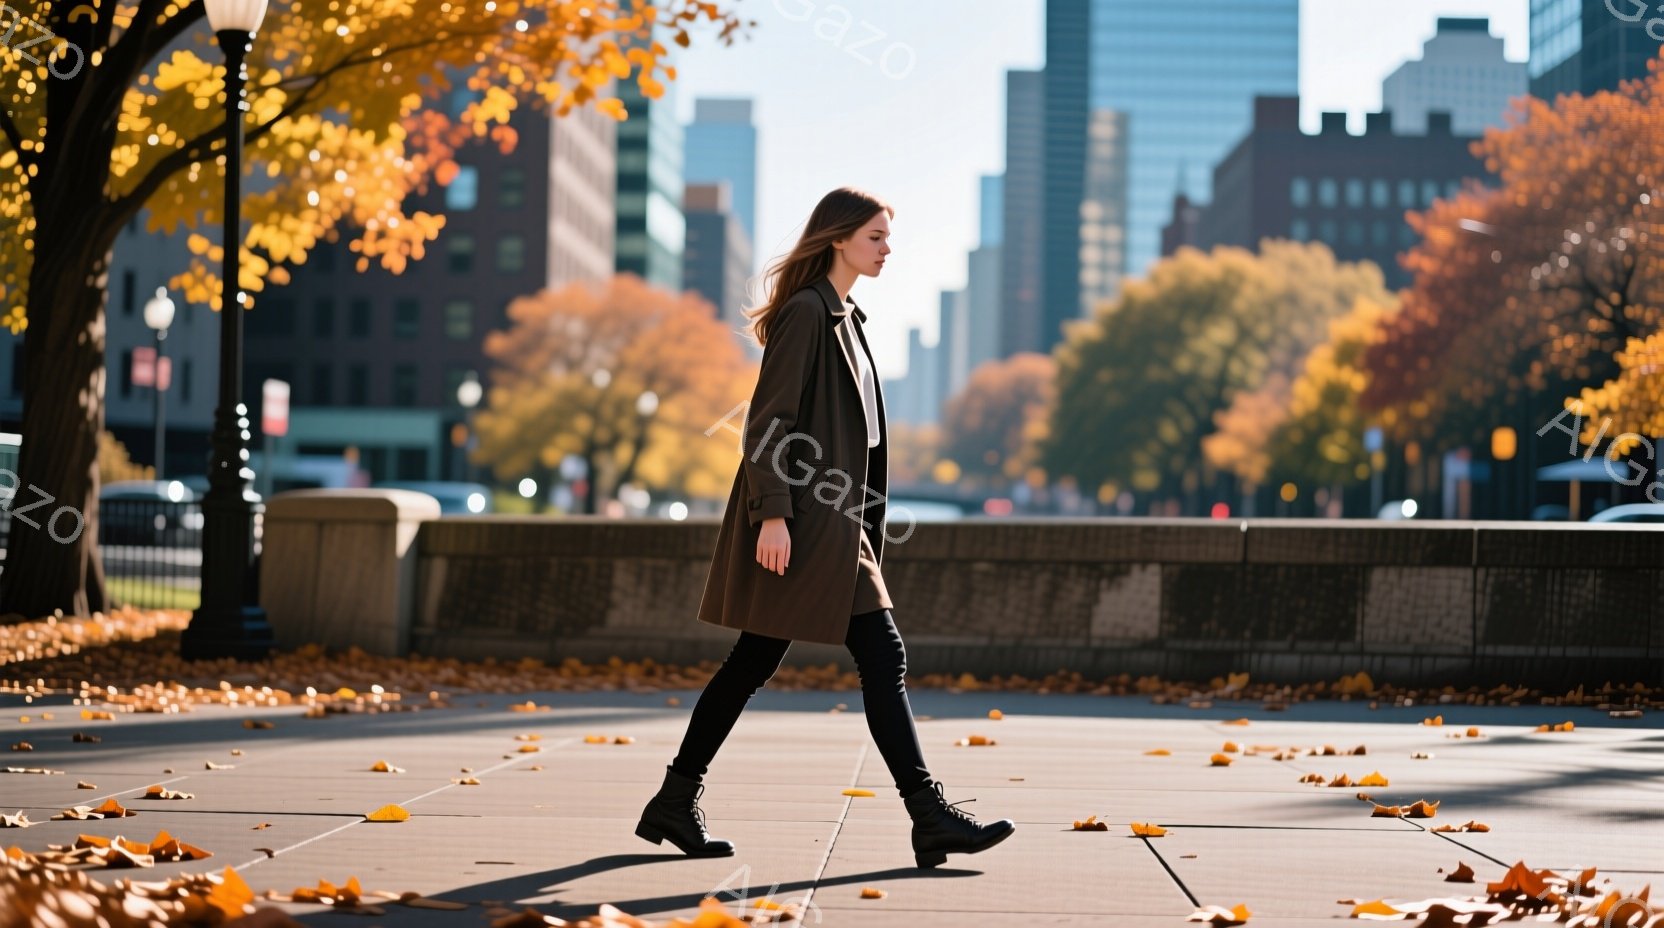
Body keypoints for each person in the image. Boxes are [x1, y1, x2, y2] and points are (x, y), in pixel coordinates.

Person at [634, 187, 1016, 870]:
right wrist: (772, 515)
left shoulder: (848, 317)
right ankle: (928, 816)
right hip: (808, 524)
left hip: (839, 527)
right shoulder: (807, 314)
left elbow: (862, 437)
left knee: (756, 662)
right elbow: (767, 424)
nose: (886, 248)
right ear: (838, 238)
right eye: (875, 236)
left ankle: (674, 797)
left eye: (886, 237)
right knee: (879, 658)